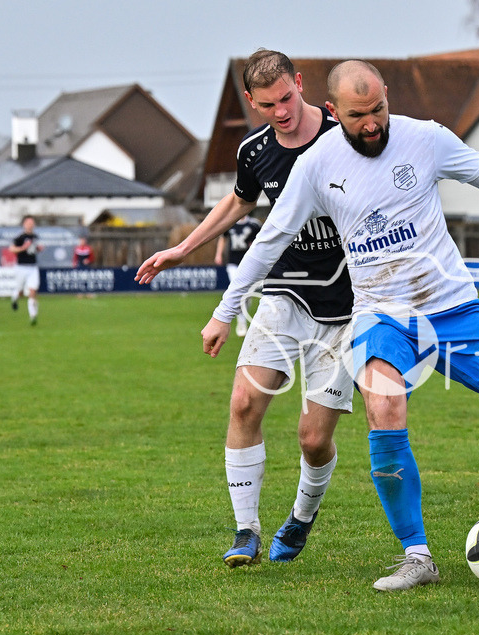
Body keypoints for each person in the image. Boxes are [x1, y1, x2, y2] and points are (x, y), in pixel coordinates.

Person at [202, 60, 479, 591]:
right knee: (384, 407)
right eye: (357, 116)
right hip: (380, 315)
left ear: (386, 96)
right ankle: (417, 556)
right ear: (333, 111)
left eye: (378, 109)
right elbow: (269, 241)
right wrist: (225, 311)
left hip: (454, 307)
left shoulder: (425, 138)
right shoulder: (315, 165)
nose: (372, 123)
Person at [134, 49, 354, 568]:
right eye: (269, 105)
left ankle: (300, 517)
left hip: (347, 306)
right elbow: (239, 201)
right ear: (252, 103)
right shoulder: (254, 150)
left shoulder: (343, 137)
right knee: (243, 404)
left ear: (299, 83)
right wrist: (184, 247)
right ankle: (245, 531)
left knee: (313, 440)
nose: (282, 112)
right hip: (283, 292)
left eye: (287, 98)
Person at [214, 214, 263, 337]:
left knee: (247, 294)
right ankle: (241, 322)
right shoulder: (230, 222)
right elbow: (223, 238)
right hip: (233, 262)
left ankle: (243, 318)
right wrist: (218, 254)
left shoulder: (254, 224)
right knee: (238, 290)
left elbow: (262, 239)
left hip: (248, 262)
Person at [9, 215, 44, 325]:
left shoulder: (36, 237)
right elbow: (12, 249)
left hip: (32, 267)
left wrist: (39, 249)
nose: (30, 225)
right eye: (28, 223)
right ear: (24, 224)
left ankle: (33, 316)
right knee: (20, 291)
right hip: (21, 267)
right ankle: (14, 298)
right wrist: (23, 248)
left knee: (32, 291)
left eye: (32, 223)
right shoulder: (20, 237)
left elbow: (34, 249)